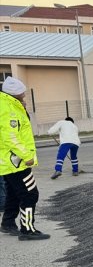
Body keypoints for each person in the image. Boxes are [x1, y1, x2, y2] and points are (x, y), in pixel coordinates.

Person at [0, 77, 50, 240]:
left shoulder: (10, 105)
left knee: (14, 193)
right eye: (22, 92)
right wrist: (27, 156)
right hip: (16, 162)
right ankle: (27, 230)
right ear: (15, 93)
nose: (24, 95)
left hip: (9, 161)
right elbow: (10, 137)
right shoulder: (8, 109)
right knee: (30, 194)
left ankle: (7, 223)